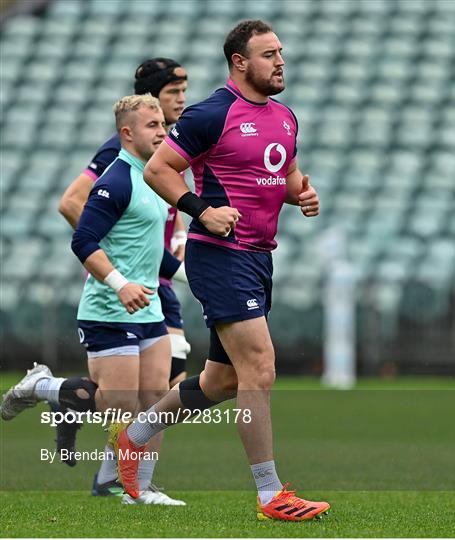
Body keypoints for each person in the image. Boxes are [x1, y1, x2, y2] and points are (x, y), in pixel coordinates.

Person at [109, 20, 330, 521]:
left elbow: (287, 177)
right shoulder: (212, 113)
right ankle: (271, 494)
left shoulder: (285, 117)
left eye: (281, 54)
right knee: (261, 369)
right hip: (219, 255)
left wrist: (302, 195)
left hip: (258, 257)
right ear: (239, 62)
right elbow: (158, 169)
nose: (280, 62)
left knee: (222, 381)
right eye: (269, 54)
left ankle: (134, 436)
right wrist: (201, 210)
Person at [1, 95, 186, 506]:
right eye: (153, 126)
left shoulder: (157, 178)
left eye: (163, 125)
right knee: (116, 405)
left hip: (149, 306)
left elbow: (153, 251)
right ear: (127, 133)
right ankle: (43, 386)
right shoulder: (115, 180)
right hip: (109, 307)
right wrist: (120, 283)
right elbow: (83, 240)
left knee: (154, 400)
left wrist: (199, 276)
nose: (162, 131)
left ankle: (140, 490)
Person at [55, 58, 192, 481]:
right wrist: (118, 263)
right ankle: (62, 399)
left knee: (160, 388)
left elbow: (169, 217)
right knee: (138, 395)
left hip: (156, 281)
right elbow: (72, 204)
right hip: (129, 284)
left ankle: (126, 481)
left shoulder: (170, 149)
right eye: (174, 93)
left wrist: (184, 255)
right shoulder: (119, 158)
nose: (183, 101)